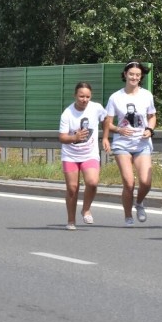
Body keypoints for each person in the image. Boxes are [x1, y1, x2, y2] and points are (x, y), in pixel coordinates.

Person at [102, 61, 157, 226]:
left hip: (142, 143)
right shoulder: (115, 97)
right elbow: (107, 123)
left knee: (146, 182)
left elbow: (152, 116)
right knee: (129, 182)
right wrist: (118, 130)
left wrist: (150, 129)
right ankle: (128, 216)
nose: (134, 77)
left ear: (141, 77)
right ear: (125, 74)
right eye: (131, 74)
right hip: (122, 145)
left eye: (138, 75)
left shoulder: (146, 95)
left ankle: (139, 203)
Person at [58, 82, 106, 230]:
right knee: (72, 188)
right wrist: (75, 137)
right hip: (70, 155)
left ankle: (86, 209)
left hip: (89, 154)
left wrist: (105, 137)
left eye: (87, 97)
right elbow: (62, 137)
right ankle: (71, 220)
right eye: (81, 96)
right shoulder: (67, 113)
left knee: (92, 182)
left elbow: (107, 121)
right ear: (75, 95)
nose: (84, 99)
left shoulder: (96, 108)